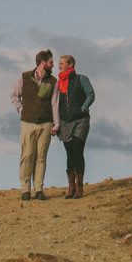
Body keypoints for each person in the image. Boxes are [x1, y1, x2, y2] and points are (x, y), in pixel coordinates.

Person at [11, 49, 57, 200]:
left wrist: (56, 123)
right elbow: (14, 95)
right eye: (51, 62)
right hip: (27, 123)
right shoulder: (24, 77)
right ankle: (25, 189)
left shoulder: (52, 81)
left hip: (45, 123)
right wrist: (21, 109)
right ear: (43, 63)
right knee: (27, 156)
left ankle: (39, 189)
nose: (53, 64)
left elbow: (54, 104)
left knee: (41, 157)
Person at [54, 53, 95, 199]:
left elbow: (91, 94)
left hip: (81, 121)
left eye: (62, 63)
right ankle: (70, 186)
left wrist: (84, 107)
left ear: (70, 64)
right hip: (66, 122)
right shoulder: (59, 83)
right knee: (69, 153)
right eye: (59, 64)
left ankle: (80, 187)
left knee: (78, 151)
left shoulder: (81, 79)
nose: (59, 66)